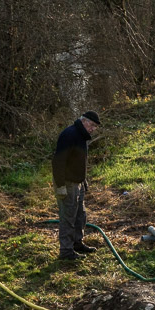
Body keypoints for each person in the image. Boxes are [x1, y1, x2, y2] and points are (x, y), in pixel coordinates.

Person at [52, 110, 101, 261]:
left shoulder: (82, 136)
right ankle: (66, 251)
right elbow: (58, 161)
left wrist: (83, 180)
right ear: (83, 121)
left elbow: (78, 162)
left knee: (80, 215)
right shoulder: (69, 134)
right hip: (67, 183)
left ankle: (77, 243)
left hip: (78, 182)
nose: (93, 129)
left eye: (95, 127)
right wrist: (60, 186)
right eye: (91, 125)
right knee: (68, 217)